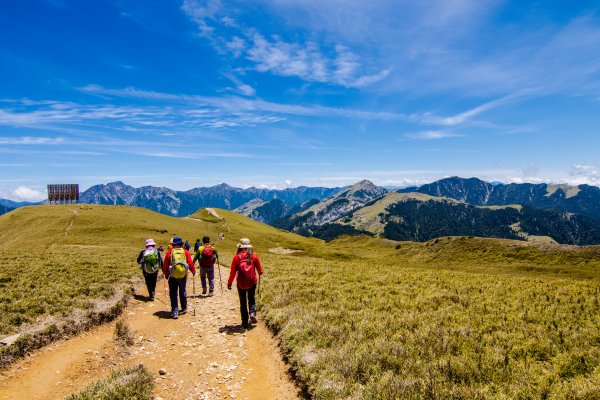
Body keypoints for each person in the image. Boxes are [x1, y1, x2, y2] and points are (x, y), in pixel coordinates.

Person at [228, 238, 263, 328]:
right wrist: (259, 272)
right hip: (252, 282)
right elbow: (260, 270)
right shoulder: (254, 256)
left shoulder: (236, 257)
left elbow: (232, 272)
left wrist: (229, 283)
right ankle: (252, 313)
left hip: (240, 283)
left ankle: (244, 321)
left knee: (243, 302)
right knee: (251, 298)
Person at [163, 237, 195, 319]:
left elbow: (165, 266)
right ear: (181, 244)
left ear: (173, 245)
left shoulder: (169, 253)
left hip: (172, 276)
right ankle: (184, 308)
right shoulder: (186, 252)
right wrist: (193, 271)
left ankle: (175, 311)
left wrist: (166, 274)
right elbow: (190, 263)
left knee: (173, 293)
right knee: (182, 290)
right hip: (183, 275)